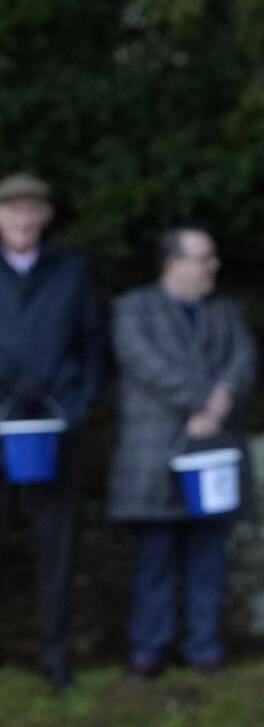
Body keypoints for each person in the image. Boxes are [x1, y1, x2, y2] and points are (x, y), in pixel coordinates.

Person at [0, 173, 106, 690]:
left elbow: (93, 347)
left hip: (53, 430)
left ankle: (57, 658)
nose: (24, 219)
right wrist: (5, 371)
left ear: (46, 217)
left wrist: (74, 408)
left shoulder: (72, 271)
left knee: (58, 553)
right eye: (14, 210)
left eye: (33, 209)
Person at [108, 227, 257, 677]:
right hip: (154, 456)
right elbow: (142, 361)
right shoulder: (133, 309)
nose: (213, 266)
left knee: (208, 556)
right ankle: (148, 649)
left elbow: (244, 357)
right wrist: (202, 400)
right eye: (204, 257)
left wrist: (224, 395)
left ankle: (203, 647)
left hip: (213, 453)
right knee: (155, 559)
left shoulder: (226, 311)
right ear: (173, 263)